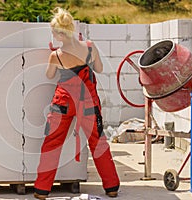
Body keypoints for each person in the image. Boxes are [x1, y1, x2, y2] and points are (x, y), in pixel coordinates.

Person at [33, 7, 120, 199]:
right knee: (98, 142)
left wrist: (53, 55)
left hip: (63, 103)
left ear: (58, 34)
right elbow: (98, 68)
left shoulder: (56, 55)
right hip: (88, 101)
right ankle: (112, 187)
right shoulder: (90, 46)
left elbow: (49, 75)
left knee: (52, 143)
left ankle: (41, 190)